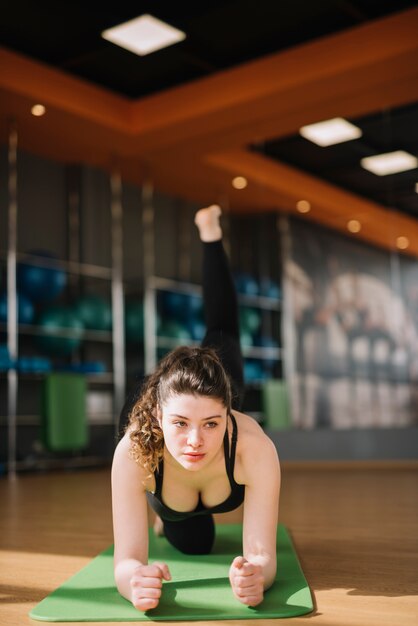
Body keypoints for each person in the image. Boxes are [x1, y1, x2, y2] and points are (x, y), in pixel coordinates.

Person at [111, 205, 281, 612]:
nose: (194, 440)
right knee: (197, 544)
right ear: (158, 418)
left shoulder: (254, 448)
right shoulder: (136, 450)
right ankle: (162, 512)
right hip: (168, 482)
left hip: (216, 390)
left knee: (222, 331)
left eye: (211, 424)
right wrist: (133, 580)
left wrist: (257, 575)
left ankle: (210, 232)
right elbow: (127, 562)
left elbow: (263, 558)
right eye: (180, 424)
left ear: (230, 415)